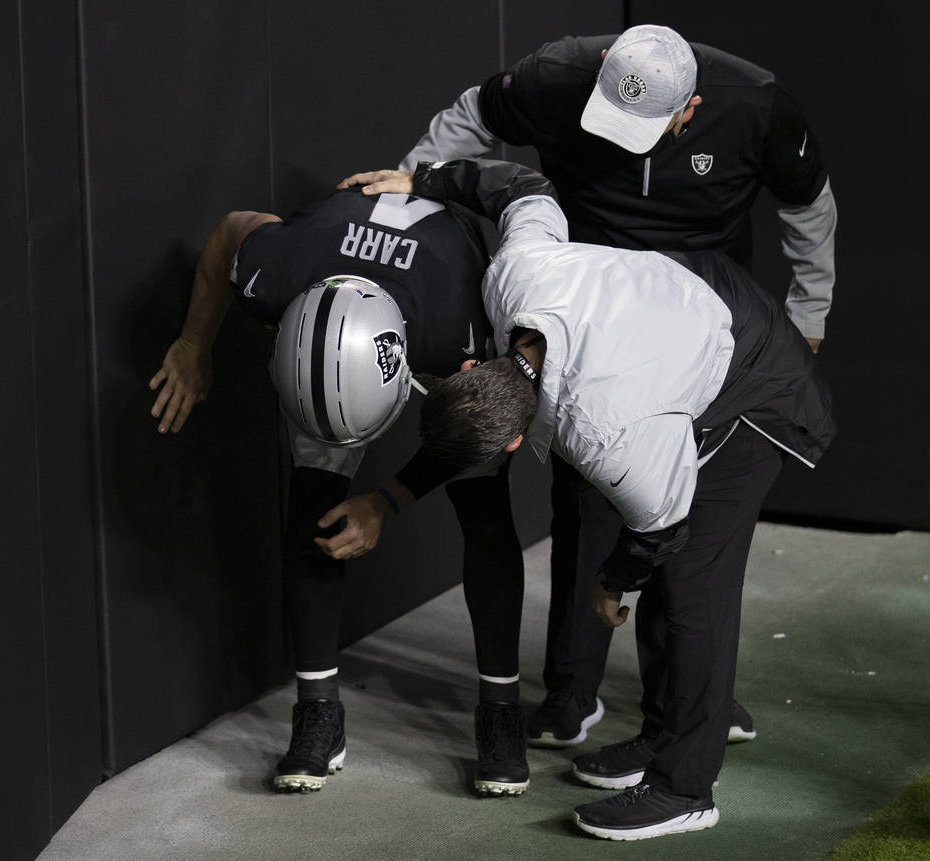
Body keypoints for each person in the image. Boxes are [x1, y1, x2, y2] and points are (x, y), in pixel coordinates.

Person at [337, 158, 834, 839]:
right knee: (660, 563)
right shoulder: (515, 280)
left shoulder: (606, 432)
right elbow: (524, 187)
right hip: (687, 304)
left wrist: (613, 582)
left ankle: (686, 787)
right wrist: (424, 178)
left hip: (756, 384)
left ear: (509, 442)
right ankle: (661, 735)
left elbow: (663, 520)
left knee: (692, 586)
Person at [393, 23, 837, 747]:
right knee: (583, 506)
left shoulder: (756, 105)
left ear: (689, 111)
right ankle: (573, 691)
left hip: (699, 318)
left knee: (677, 526)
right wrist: (412, 189)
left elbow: (810, 210)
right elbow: (484, 140)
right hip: (582, 305)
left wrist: (808, 315)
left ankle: (686, 698)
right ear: (601, 69)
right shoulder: (552, 80)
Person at [148, 180, 555, 796]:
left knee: (485, 507)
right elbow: (232, 229)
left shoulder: (467, 322)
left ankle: (499, 710)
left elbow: (483, 432)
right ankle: (317, 713)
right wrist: (193, 344)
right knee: (315, 509)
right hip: (334, 303)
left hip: (445, 321)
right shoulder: (277, 272)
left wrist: (388, 500)